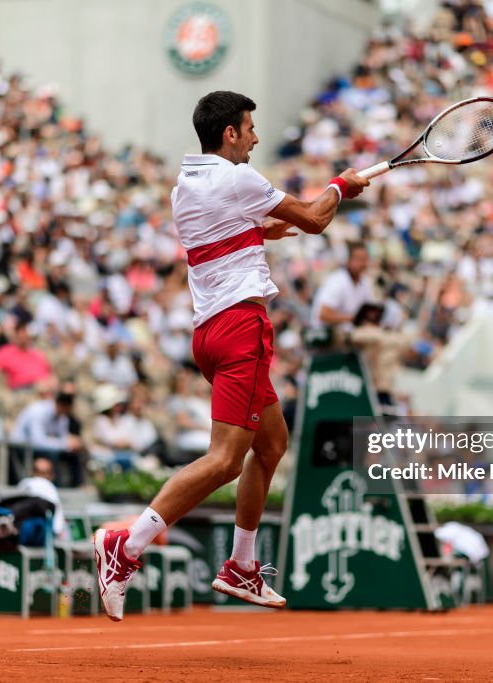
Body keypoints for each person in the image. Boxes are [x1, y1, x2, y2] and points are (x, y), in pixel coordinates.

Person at [92, 90, 368, 621]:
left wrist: (280, 223)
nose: (257, 138)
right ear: (230, 135)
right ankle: (125, 547)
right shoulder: (239, 178)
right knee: (224, 460)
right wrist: (340, 186)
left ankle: (241, 565)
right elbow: (314, 219)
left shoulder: (186, 185)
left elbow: (242, 230)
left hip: (210, 334)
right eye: (250, 128)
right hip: (241, 326)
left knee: (271, 445)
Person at [10, 381, 84, 487]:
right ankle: (55, 487)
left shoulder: (63, 417)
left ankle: (77, 485)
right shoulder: (37, 412)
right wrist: (65, 444)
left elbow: (61, 438)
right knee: (52, 455)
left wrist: (71, 444)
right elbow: (37, 442)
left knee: (74, 454)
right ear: (60, 404)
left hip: (44, 446)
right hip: (22, 447)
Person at [310, 242, 374, 329]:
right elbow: (323, 315)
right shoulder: (337, 281)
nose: (362, 264)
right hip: (326, 333)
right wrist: (352, 318)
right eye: (358, 259)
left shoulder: (365, 282)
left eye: (365, 259)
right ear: (348, 260)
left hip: (348, 330)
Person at [17, 457, 68, 541]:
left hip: (19, 533)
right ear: (52, 475)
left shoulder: (24, 483)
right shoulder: (50, 487)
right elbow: (58, 523)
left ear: (32, 472)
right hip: (43, 536)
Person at [0, 320, 52, 390]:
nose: (22, 335)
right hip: (22, 389)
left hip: (43, 386)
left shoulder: (37, 353)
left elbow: (48, 373)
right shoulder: (5, 352)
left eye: (24, 331)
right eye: (19, 332)